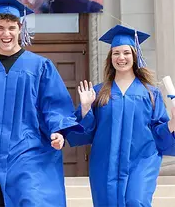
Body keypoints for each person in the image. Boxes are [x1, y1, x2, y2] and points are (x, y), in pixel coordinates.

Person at [0, 0, 86, 206]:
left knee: (31, 199)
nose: (6, 33)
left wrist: (58, 130)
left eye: (11, 27)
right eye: (0, 27)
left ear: (20, 28)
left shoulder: (40, 67)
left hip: (29, 153)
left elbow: (54, 105)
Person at [66, 24, 175, 207]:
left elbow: (160, 133)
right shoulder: (99, 92)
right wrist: (85, 108)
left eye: (126, 52)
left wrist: (173, 122)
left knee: (136, 200)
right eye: (116, 53)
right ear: (110, 58)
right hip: (105, 162)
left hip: (142, 159)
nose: (121, 57)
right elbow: (84, 133)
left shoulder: (150, 93)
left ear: (135, 55)